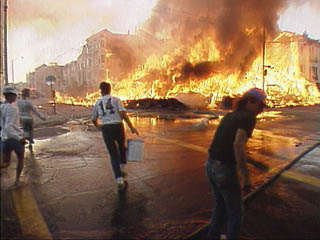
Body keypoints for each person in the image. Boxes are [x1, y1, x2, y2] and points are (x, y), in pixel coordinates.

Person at [205, 88, 266, 240]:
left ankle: (212, 236)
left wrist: (251, 161)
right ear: (250, 102)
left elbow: (225, 143)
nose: (261, 110)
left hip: (210, 166)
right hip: (224, 170)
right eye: (260, 106)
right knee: (235, 213)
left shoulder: (230, 115)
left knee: (220, 208)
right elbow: (238, 145)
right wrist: (245, 177)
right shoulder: (248, 118)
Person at [92, 82, 139, 191]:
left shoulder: (97, 102)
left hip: (106, 128)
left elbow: (93, 119)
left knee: (113, 154)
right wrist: (131, 127)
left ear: (101, 90)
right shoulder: (116, 100)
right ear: (110, 89)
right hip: (118, 126)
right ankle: (122, 169)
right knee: (122, 147)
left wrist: (99, 127)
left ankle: (119, 179)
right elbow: (123, 114)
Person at [0, 85, 26, 184]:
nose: (16, 97)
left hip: (5, 138)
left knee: (6, 163)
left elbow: (4, 125)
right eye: (15, 95)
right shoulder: (13, 108)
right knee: (20, 159)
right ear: (11, 96)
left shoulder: (1, 106)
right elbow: (9, 126)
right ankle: (17, 180)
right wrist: (19, 138)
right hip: (15, 138)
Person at [17, 88, 46, 152]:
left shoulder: (18, 102)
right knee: (30, 130)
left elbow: (16, 110)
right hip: (29, 118)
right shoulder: (28, 102)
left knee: (24, 129)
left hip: (22, 118)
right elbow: (34, 111)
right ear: (27, 94)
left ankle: (24, 140)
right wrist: (41, 117)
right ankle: (30, 142)